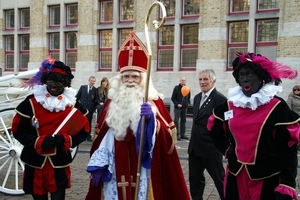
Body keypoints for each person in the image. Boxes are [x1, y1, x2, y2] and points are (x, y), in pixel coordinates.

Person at [85, 32, 190, 200]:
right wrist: (99, 161)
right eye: (126, 76)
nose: (130, 80)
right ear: (120, 79)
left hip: (144, 164)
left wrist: (151, 121)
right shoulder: (112, 102)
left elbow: (169, 139)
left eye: (135, 76)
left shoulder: (154, 101)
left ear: (143, 78)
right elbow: (102, 135)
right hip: (115, 161)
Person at [207, 52, 300, 199]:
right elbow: (214, 129)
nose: (245, 79)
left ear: (262, 78)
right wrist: (226, 149)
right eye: (241, 75)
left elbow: (288, 148)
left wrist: (287, 183)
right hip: (236, 176)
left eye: (250, 74)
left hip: (267, 178)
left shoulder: (277, 106)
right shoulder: (230, 104)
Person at [11, 56, 89, 200]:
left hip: (59, 162)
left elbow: (83, 132)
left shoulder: (72, 104)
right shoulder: (31, 102)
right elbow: (18, 132)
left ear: (65, 84)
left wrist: (67, 140)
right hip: (35, 161)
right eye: (51, 80)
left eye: (59, 82)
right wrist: (37, 142)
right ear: (45, 80)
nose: (54, 85)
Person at [188, 69, 227, 200]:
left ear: (213, 81)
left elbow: (226, 126)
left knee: (220, 181)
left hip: (211, 149)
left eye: (206, 79)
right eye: (200, 79)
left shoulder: (221, 100)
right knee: (195, 180)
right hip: (195, 149)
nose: (202, 82)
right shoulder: (197, 97)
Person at [76, 76, 99, 141]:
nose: (92, 82)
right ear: (89, 81)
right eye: (91, 81)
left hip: (90, 109)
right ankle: (79, 135)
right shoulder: (82, 87)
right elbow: (77, 97)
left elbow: (95, 100)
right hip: (82, 109)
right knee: (80, 122)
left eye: (94, 81)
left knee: (89, 122)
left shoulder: (95, 89)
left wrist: (94, 108)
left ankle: (88, 136)